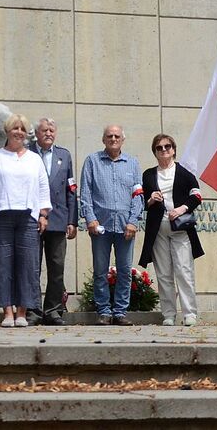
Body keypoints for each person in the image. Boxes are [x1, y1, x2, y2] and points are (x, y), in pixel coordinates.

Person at [0, 114, 50, 328]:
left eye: (22, 128)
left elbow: (43, 188)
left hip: (28, 217)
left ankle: (22, 312)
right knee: (2, 264)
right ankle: (7, 312)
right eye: (14, 128)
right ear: (7, 131)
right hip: (2, 217)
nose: (18, 131)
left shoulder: (34, 159)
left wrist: (43, 214)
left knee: (28, 265)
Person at [80, 125, 144, 326]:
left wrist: (134, 221)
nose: (113, 139)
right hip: (100, 227)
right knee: (100, 270)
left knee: (125, 271)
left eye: (117, 136)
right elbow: (85, 193)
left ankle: (120, 312)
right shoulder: (92, 161)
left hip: (126, 227)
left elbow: (138, 195)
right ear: (103, 139)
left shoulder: (132, 163)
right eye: (109, 136)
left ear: (122, 139)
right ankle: (104, 312)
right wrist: (90, 218)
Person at [138, 133, 204, 326]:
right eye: (159, 148)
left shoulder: (184, 172)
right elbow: (141, 202)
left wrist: (182, 208)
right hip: (157, 229)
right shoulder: (148, 175)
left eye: (167, 146)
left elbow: (197, 195)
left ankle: (189, 313)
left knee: (184, 271)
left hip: (181, 229)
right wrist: (151, 200)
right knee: (164, 274)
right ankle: (168, 314)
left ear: (174, 150)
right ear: (155, 152)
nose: (164, 150)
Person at [29, 117, 77, 326]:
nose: (48, 133)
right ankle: (32, 311)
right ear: (37, 134)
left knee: (56, 267)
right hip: (31, 219)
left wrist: (72, 220)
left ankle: (53, 310)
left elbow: (71, 190)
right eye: (44, 130)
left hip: (58, 220)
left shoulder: (64, 155)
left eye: (51, 130)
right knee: (32, 268)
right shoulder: (26, 153)